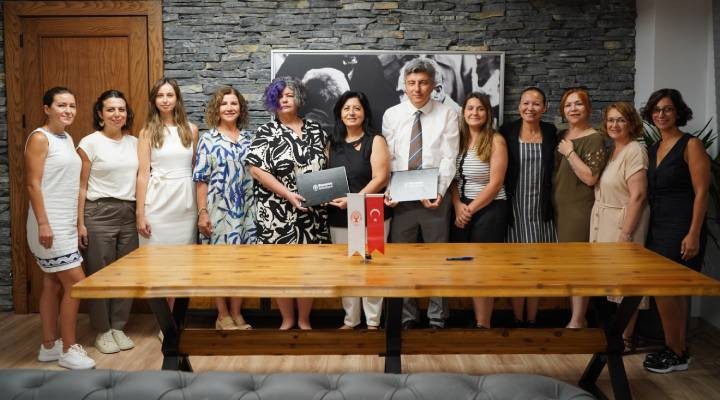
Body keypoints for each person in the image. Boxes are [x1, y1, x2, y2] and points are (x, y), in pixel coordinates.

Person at [246, 76, 330, 330]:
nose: (284, 100)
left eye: (289, 95)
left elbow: (327, 165)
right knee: (280, 269)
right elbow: (256, 170)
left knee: (310, 268)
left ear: (299, 98)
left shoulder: (317, 130)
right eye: (279, 96)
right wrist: (288, 194)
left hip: (313, 213)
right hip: (277, 212)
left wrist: (327, 191)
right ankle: (287, 319)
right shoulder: (266, 132)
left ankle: (304, 319)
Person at [382, 57, 460, 329]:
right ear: (404, 85)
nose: (417, 88)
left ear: (433, 85)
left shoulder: (448, 114)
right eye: (412, 83)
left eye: (423, 83)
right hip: (400, 201)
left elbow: (449, 157)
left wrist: (439, 191)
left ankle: (437, 317)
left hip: (434, 199)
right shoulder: (392, 115)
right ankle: (406, 317)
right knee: (402, 261)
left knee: (438, 260)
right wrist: (389, 190)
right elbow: (388, 158)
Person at [640, 89, 710, 373]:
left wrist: (693, 233)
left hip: (682, 225)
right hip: (657, 225)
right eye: (657, 110)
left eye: (668, 109)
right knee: (673, 291)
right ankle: (679, 350)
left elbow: (702, 192)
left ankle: (674, 350)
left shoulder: (691, 144)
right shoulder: (653, 148)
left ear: (678, 112)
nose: (661, 115)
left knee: (667, 289)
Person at [26, 87, 95, 369]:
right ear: (47, 109)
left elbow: (70, 184)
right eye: (61, 105)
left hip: (65, 222)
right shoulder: (39, 138)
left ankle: (48, 346)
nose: (68, 110)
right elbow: (33, 184)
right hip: (48, 223)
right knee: (76, 283)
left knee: (52, 283)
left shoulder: (66, 138)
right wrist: (43, 223)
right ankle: (68, 349)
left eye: (72, 105)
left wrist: (78, 223)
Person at [77, 90, 138, 354]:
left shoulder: (135, 143)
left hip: (129, 212)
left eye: (121, 109)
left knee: (126, 272)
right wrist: (79, 223)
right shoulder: (89, 143)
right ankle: (102, 330)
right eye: (111, 109)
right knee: (99, 272)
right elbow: (80, 186)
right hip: (98, 212)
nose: (117, 114)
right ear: (100, 113)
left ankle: (118, 327)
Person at [135, 78, 198, 325]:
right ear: (154, 101)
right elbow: (142, 174)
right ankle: (164, 323)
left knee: (182, 264)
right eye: (160, 96)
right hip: (157, 202)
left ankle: (175, 321)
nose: (165, 100)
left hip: (185, 203)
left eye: (169, 95)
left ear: (177, 99)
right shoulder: (146, 132)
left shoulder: (191, 130)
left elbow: (195, 169)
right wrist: (140, 213)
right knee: (157, 265)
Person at [193, 86, 256, 330]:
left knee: (242, 263)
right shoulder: (208, 139)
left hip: (247, 210)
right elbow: (201, 180)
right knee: (218, 263)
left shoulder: (249, 138)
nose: (229, 108)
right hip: (218, 211)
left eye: (234, 103)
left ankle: (237, 312)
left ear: (241, 108)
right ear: (216, 109)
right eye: (224, 104)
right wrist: (203, 212)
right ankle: (222, 315)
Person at [327, 91, 391, 330]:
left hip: (372, 212)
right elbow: (326, 178)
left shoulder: (376, 140)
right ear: (339, 113)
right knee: (348, 268)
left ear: (365, 113)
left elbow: (381, 178)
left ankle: (373, 322)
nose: (351, 113)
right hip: (340, 215)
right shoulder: (332, 142)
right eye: (346, 108)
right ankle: (350, 321)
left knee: (373, 268)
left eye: (356, 108)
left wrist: (354, 200)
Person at [590, 102, 650, 350]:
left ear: (631, 123)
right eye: (611, 120)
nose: (614, 125)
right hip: (604, 219)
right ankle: (613, 335)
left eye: (621, 120)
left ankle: (626, 339)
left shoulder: (635, 150)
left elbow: (638, 195)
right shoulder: (613, 150)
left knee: (626, 281)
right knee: (611, 280)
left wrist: (626, 233)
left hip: (624, 221)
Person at [499, 86, 557, 327]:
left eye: (536, 103)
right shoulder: (507, 131)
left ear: (544, 108)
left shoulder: (551, 132)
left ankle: (532, 318)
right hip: (514, 207)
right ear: (518, 106)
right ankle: (516, 317)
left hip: (540, 208)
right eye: (525, 103)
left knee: (536, 264)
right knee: (515, 264)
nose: (530, 108)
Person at [450, 92, 508, 329]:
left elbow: (496, 183)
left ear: (488, 113)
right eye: (470, 108)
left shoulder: (496, 140)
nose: (474, 113)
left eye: (480, 109)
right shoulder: (458, 139)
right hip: (462, 206)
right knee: (466, 265)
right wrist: (457, 205)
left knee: (482, 268)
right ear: (463, 112)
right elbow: (452, 179)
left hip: (489, 209)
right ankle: (474, 318)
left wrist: (469, 210)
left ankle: (484, 324)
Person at [553, 88, 607, 329]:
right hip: (558, 208)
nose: (573, 109)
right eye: (568, 105)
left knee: (578, 264)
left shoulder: (594, 138)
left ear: (588, 108)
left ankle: (578, 319)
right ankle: (575, 315)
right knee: (566, 264)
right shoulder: (561, 135)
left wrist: (570, 153)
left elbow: (591, 178)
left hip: (578, 210)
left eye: (578, 104)